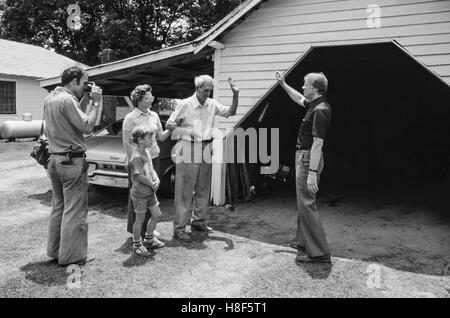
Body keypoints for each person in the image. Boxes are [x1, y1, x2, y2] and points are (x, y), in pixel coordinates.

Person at [166, 75, 239, 241]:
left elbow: (231, 112)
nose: (208, 93)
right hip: (188, 148)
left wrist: (235, 94)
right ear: (197, 88)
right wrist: (185, 132)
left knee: (203, 187)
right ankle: (179, 228)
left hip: (206, 147)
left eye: (210, 91)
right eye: (205, 90)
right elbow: (169, 125)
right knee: (184, 190)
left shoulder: (212, 104)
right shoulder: (185, 104)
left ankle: (198, 221)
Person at [44, 66, 102, 266]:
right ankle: (71, 257)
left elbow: (73, 119)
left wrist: (86, 100)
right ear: (74, 80)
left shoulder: (51, 98)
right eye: (85, 83)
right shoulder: (68, 100)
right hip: (71, 161)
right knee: (75, 210)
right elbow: (87, 126)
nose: (86, 87)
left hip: (54, 159)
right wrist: (95, 103)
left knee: (59, 206)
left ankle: (55, 252)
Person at [276, 71, 332, 264]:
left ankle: (318, 253)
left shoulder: (320, 110)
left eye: (305, 84)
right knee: (303, 203)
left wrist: (312, 172)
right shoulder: (314, 104)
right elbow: (298, 98)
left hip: (309, 158)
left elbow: (318, 143)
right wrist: (283, 85)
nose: (302, 87)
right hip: (305, 156)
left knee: (307, 203)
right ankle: (303, 243)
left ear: (315, 88)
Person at [122, 84, 171, 238]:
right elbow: (127, 143)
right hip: (139, 163)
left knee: (151, 194)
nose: (151, 100)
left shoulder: (154, 116)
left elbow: (161, 137)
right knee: (138, 196)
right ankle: (136, 231)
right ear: (139, 100)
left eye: (152, 97)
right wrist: (137, 163)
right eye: (148, 98)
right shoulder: (130, 118)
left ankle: (149, 230)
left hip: (154, 159)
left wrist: (172, 127)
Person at [129, 126, 165, 256]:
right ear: (140, 139)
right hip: (140, 194)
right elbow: (139, 176)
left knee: (156, 215)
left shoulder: (147, 152)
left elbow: (151, 169)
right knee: (140, 220)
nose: (152, 140)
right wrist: (151, 184)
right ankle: (137, 244)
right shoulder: (136, 157)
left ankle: (149, 239)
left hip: (150, 192)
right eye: (149, 138)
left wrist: (157, 180)